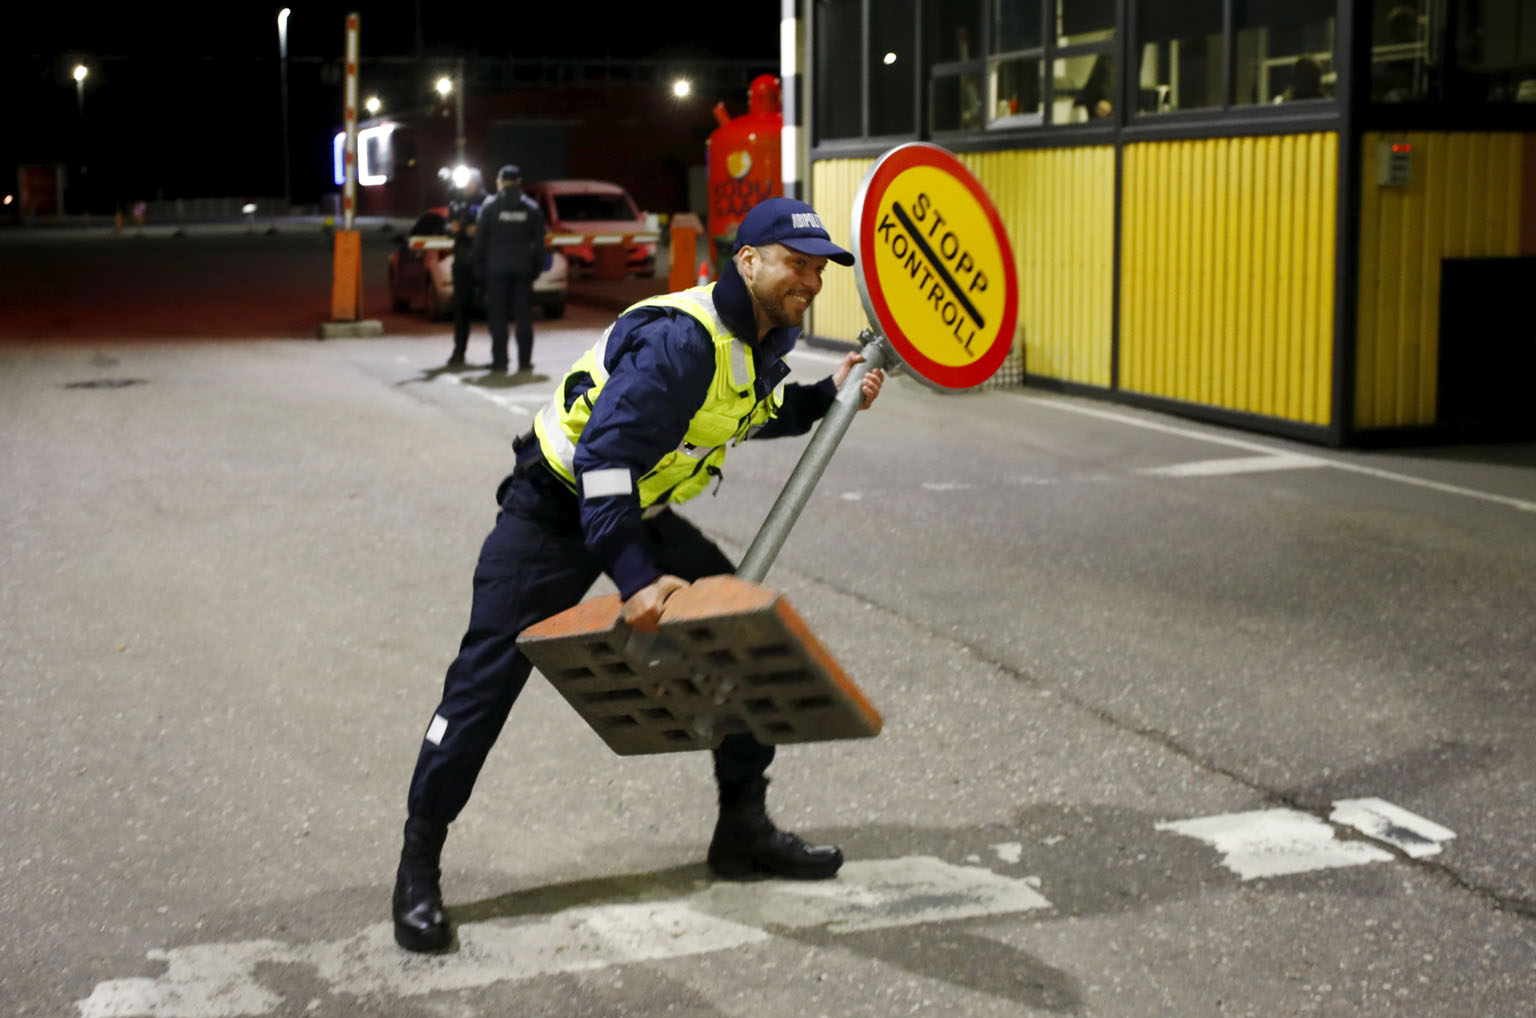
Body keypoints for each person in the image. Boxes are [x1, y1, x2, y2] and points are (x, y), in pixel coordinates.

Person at [392, 196, 886, 953]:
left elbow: (742, 410)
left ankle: (742, 830)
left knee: (736, 638)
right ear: (747, 260)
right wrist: (635, 578)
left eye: (819, 270)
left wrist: (829, 395)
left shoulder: (758, 335)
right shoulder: (681, 342)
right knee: (484, 679)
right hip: (555, 509)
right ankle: (418, 865)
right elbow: (603, 462)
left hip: (636, 507)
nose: (810, 282)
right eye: (796, 265)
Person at [472, 164, 546, 374]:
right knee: (524, 318)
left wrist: (479, 268)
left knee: (498, 318)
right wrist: (536, 269)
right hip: (523, 271)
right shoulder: (531, 208)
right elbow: (540, 244)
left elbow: (480, 241)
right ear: (519, 182)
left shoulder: (490, 207)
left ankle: (500, 361)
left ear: (500, 181)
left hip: (495, 271)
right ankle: (524, 362)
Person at [445, 170, 486, 367]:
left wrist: (480, 230)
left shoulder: (488, 203)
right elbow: (447, 227)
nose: (468, 187)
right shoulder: (456, 203)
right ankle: (458, 352)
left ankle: (498, 357)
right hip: (462, 263)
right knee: (461, 309)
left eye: (471, 183)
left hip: (484, 263)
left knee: (493, 309)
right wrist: (453, 229)